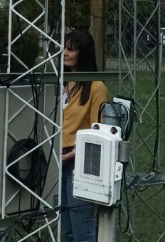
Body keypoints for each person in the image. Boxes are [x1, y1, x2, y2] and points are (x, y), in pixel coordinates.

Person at [60, 28, 108, 242]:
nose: (65, 53)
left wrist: (75, 152)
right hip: (57, 161)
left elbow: (100, 131)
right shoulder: (61, 81)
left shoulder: (97, 88)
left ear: (84, 53)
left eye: (71, 49)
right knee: (66, 229)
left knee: (83, 231)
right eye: (64, 48)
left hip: (78, 164)